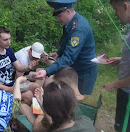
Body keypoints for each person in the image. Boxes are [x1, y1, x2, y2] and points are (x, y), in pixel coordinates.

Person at [34, 0, 98, 95]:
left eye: (59, 16)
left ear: (68, 11)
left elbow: (69, 57)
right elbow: (67, 43)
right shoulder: (70, 23)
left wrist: (46, 71)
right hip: (74, 69)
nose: (57, 19)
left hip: (84, 72)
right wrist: (59, 53)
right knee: (68, 97)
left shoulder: (78, 29)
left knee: (77, 100)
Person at [102, 0, 130, 131]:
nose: (115, 14)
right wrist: (122, 59)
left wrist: (114, 84)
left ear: (125, 6)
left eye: (115, 9)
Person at [0, 26, 38, 93]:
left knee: (36, 87)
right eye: (5, 40)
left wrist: (29, 67)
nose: (9, 42)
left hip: (11, 83)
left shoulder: (9, 50)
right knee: (28, 95)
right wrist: (8, 89)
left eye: (9, 39)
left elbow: (18, 67)